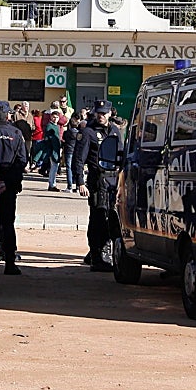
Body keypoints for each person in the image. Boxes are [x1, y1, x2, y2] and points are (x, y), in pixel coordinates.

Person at [72, 100, 121, 271]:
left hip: (113, 181)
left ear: (109, 114)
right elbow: (78, 159)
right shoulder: (88, 132)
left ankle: (97, 253)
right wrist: (80, 182)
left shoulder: (115, 131)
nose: (101, 116)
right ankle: (96, 257)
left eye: (104, 113)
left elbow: (119, 155)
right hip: (97, 180)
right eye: (98, 113)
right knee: (98, 219)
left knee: (111, 218)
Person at [0, 101, 25, 275]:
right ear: (7, 115)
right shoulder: (16, 133)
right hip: (8, 186)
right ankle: (9, 260)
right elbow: (21, 162)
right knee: (8, 223)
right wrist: (8, 183)